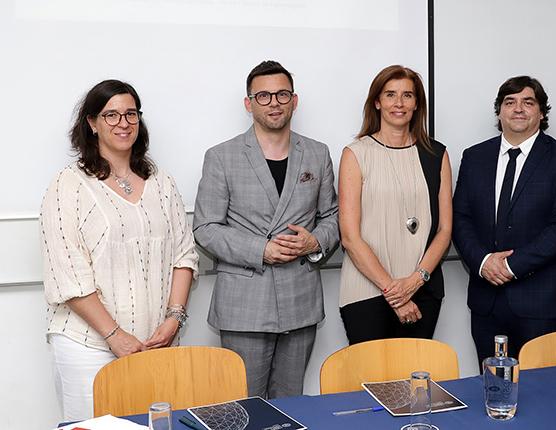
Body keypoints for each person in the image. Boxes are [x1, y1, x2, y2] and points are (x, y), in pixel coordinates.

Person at [40, 80, 199, 421]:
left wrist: (174, 319)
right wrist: (115, 336)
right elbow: (69, 277)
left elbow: (184, 255)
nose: (123, 123)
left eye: (130, 114)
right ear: (92, 123)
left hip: (156, 344)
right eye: (110, 115)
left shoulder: (160, 180)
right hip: (89, 347)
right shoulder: (68, 185)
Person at [193, 60, 339, 398]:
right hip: (245, 304)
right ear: (249, 103)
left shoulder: (317, 154)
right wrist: (262, 249)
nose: (274, 102)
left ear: (294, 100)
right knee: (247, 406)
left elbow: (333, 216)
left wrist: (314, 240)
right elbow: (206, 227)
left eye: (282, 94)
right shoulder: (222, 156)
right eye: (263, 96)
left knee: (291, 407)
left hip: (300, 301)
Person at [452, 76, 556, 363]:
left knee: (542, 393)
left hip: (542, 301)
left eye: (528, 102)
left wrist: (511, 265)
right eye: (509, 102)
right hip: (486, 300)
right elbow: (460, 218)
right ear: (499, 111)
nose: (518, 109)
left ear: (541, 112)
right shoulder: (475, 157)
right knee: (492, 388)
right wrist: (484, 262)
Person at [337, 65, 452, 345]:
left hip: (422, 290)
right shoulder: (356, 154)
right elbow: (350, 238)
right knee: (371, 384)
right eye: (390, 95)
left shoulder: (436, 154)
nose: (399, 103)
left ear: (417, 104)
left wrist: (415, 281)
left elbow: (445, 230)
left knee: (415, 386)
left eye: (407, 96)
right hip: (366, 292)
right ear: (377, 102)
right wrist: (395, 294)